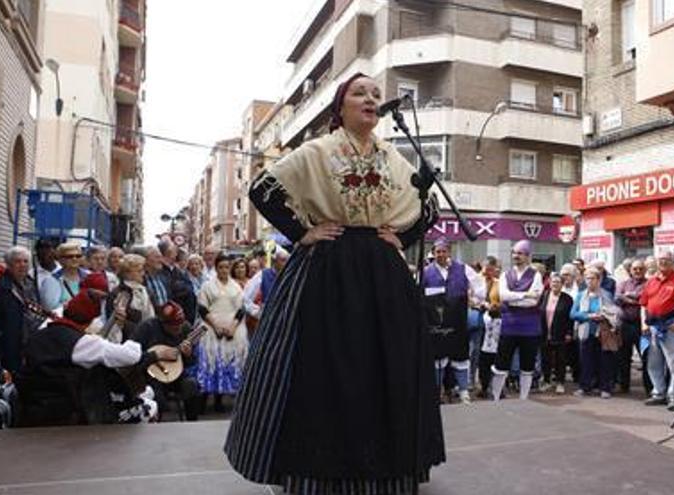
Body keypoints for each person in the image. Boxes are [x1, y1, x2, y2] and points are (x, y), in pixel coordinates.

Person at [225, 73, 444, 493]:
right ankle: (316, 474)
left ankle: (384, 473)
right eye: (360, 93)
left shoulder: (393, 157)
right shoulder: (318, 151)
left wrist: (402, 237)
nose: (371, 99)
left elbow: (428, 207)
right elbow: (262, 190)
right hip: (328, 268)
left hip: (382, 274)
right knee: (324, 366)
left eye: (376, 94)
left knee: (386, 367)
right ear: (340, 107)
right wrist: (301, 232)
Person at [15, 281, 174, 427]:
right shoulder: (83, 343)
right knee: (148, 406)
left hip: (34, 405)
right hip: (73, 410)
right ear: (90, 320)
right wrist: (151, 350)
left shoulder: (41, 333)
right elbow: (130, 355)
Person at [423, 237, 485, 404]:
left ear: (449, 252)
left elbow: (480, 288)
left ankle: (464, 391)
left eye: (443, 251)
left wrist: (476, 300)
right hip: (436, 324)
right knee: (437, 359)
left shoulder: (463, 269)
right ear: (433, 253)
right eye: (437, 252)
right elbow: (418, 296)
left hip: (458, 321)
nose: (440, 255)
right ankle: (437, 393)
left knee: (460, 356)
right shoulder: (425, 272)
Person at [640, 250, 674, 412]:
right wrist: (644, 323)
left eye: (667, 260)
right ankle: (658, 392)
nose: (663, 262)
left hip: (670, 326)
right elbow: (643, 304)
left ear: (673, 263)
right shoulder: (651, 282)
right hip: (653, 327)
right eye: (661, 260)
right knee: (653, 362)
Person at [490, 240, 544, 401]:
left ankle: (523, 398)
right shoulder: (505, 274)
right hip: (509, 325)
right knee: (501, 365)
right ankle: (496, 397)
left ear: (528, 256)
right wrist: (525, 294)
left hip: (530, 327)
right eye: (514, 253)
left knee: (527, 366)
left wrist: (514, 298)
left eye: (520, 253)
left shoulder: (536, 275)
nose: (516, 256)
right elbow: (503, 296)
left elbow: (534, 301)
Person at [196, 254, 248, 413]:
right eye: (221, 267)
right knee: (211, 362)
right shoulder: (207, 286)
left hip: (234, 329)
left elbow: (241, 309)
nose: (224, 270)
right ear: (216, 268)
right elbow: (202, 308)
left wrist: (232, 327)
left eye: (226, 267)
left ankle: (222, 399)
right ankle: (204, 400)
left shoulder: (236, 286)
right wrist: (216, 326)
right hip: (212, 328)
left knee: (230, 363)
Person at [133, 301, 201, 422]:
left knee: (191, 385)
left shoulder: (185, 328)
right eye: (174, 327)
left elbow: (190, 363)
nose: (178, 329)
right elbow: (133, 357)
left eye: (180, 325)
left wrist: (188, 355)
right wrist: (156, 355)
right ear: (163, 322)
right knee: (155, 395)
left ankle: (192, 422)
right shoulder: (147, 328)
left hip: (176, 375)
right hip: (150, 376)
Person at [0, 246, 42, 376]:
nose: (22, 265)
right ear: (8, 264)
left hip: (30, 344)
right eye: (17, 261)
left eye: (25, 261)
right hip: (8, 345)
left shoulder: (31, 284)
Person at [571, 267, 621, 398]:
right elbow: (573, 314)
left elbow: (614, 313)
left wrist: (604, 316)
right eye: (587, 278)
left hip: (603, 332)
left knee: (605, 361)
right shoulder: (581, 295)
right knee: (586, 361)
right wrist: (588, 316)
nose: (589, 281)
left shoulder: (606, 294)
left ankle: (605, 388)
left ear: (599, 280)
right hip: (586, 331)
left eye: (592, 278)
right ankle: (584, 386)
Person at [615, 258, 649, 395]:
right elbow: (617, 298)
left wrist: (628, 297)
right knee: (623, 357)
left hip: (641, 325)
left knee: (646, 357)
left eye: (640, 269)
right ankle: (623, 386)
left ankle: (649, 387)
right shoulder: (623, 283)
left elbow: (644, 299)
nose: (638, 271)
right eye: (635, 269)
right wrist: (634, 299)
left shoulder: (649, 284)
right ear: (630, 270)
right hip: (625, 324)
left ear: (645, 270)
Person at [104, 254, 155, 343]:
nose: (143, 274)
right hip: (125, 342)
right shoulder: (118, 294)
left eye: (142, 270)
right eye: (139, 271)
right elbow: (115, 324)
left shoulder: (145, 291)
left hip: (146, 339)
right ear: (127, 273)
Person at [539, 273, 574, 394]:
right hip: (544, 333)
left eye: (558, 282)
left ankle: (560, 382)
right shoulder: (544, 295)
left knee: (560, 359)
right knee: (546, 358)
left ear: (562, 284)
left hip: (560, 333)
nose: (555, 284)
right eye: (553, 282)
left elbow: (570, 318)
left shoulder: (567, 299)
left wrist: (569, 332)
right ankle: (547, 381)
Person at [477, 258, 502, 398]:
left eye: (492, 269)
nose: (489, 271)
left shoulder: (499, 283)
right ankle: (483, 384)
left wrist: (494, 306)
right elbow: (470, 297)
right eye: (487, 268)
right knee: (479, 355)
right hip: (478, 320)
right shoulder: (476, 280)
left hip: (494, 322)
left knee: (493, 355)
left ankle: (495, 386)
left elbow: (502, 301)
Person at [40, 242, 87, 311]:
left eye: (78, 256)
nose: (74, 259)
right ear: (60, 260)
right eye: (69, 256)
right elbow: (49, 308)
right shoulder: (51, 281)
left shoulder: (89, 277)